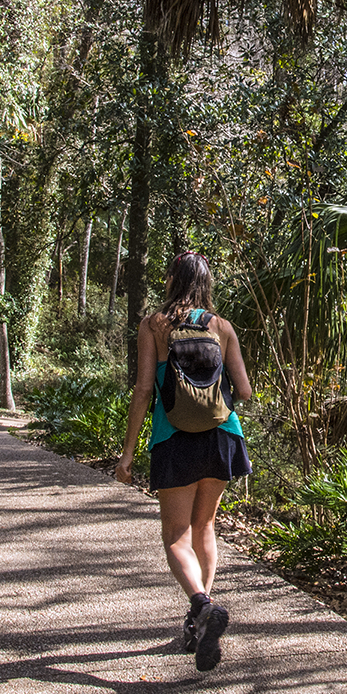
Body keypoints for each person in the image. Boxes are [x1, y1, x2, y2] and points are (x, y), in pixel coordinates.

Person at [115, 251, 253, 672]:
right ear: (206, 283)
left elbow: (143, 390)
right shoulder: (222, 327)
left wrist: (127, 453)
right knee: (204, 526)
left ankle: (201, 605)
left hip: (173, 438)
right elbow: (245, 391)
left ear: (171, 280)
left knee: (176, 535)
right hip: (223, 437)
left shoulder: (154, 325)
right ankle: (200, 619)